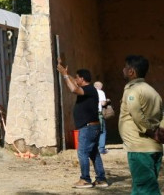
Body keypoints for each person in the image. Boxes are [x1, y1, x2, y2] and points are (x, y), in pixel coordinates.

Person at [57, 60, 108, 189]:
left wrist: (64, 75)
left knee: (83, 152)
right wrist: (66, 75)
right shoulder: (88, 89)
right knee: (93, 153)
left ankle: (85, 179)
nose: (75, 79)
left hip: (88, 127)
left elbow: (74, 89)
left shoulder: (89, 89)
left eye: (77, 77)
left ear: (82, 79)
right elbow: (74, 84)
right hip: (91, 126)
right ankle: (101, 179)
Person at [119, 55, 163, 194]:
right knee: (140, 188)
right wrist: (160, 132)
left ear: (131, 71)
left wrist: (150, 132)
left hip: (140, 148)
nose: (123, 70)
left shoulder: (133, 90)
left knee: (146, 189)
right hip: (153, 148)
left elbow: (136, 113)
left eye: (126, 67)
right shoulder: (153, 91)